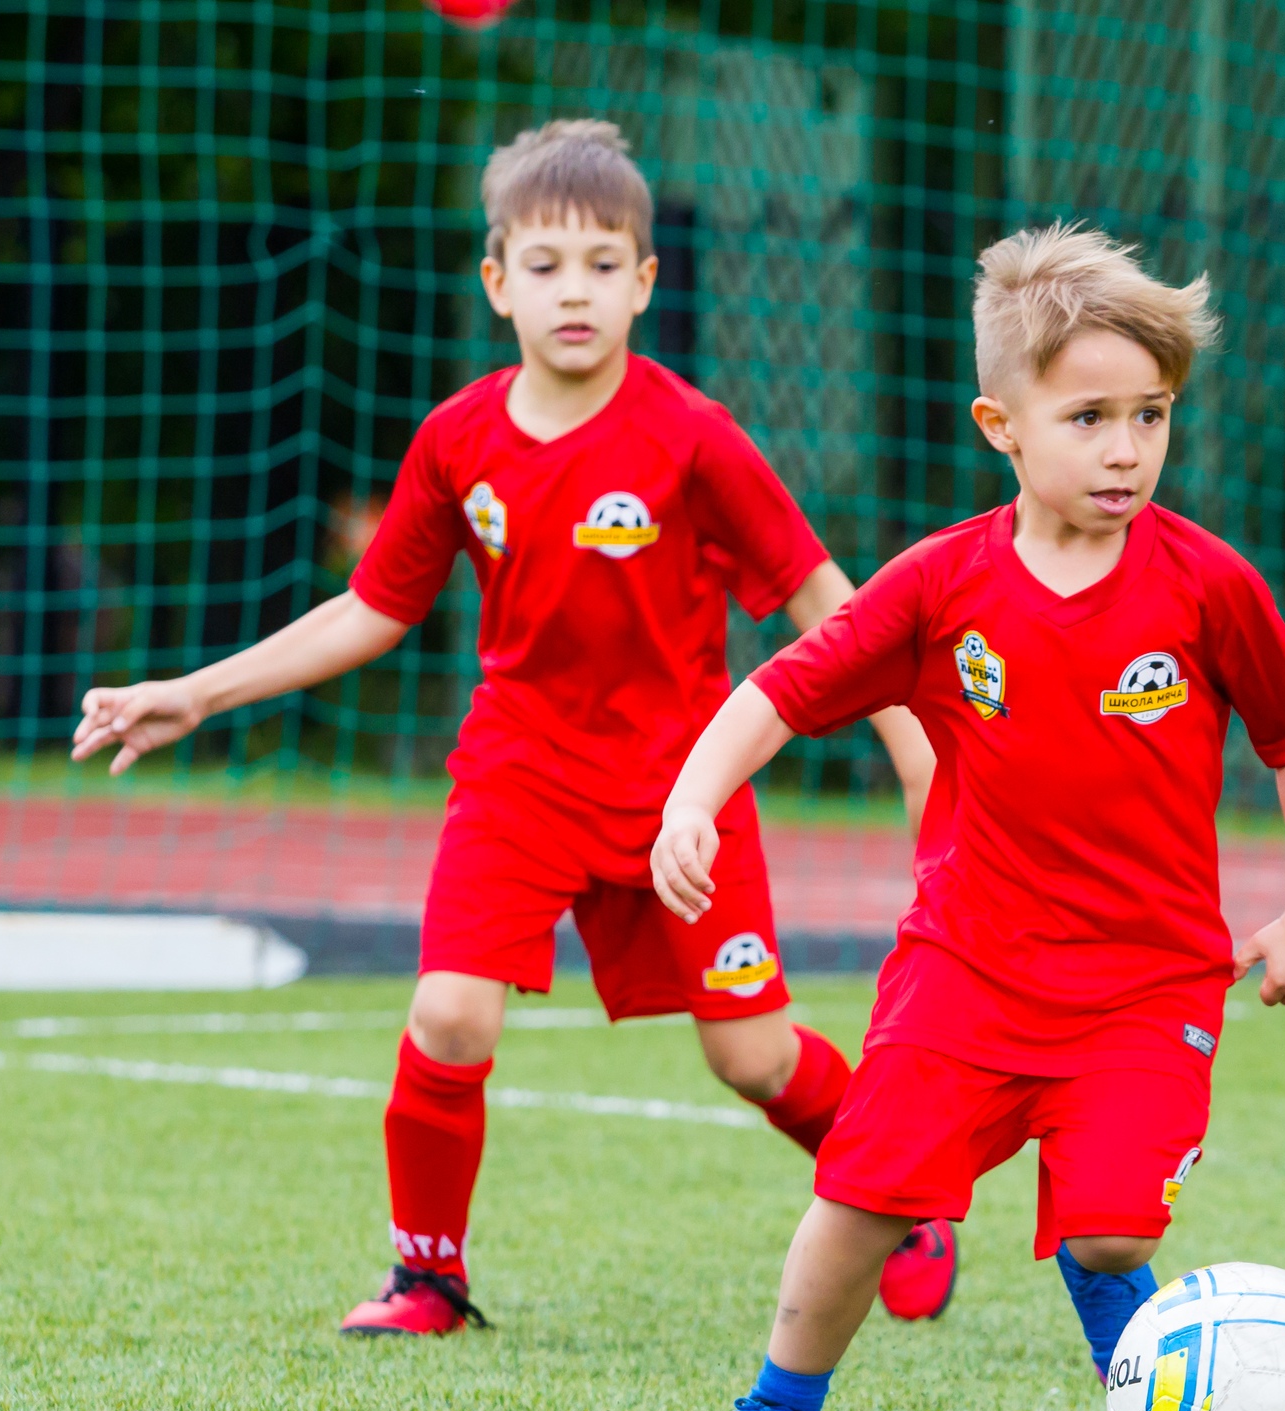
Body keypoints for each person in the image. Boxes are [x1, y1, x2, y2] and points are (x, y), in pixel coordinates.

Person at [69, 121, 944, 1336]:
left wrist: (915, 746)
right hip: (520, 778)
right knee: (448, 1012)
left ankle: (904, 1202)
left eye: (601, 263)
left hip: (683, 791)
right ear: (496, 283)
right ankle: (425, 1278)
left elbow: (824, 600)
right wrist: (198, 691)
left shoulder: (692, 435)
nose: (572, 289)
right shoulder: (456, 440)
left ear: (645, 281)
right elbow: (372, 608)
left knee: (749, 1058)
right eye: (544, 264)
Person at [656, 224, 1285, 1411]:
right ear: (1001, 426)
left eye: (1152, 415)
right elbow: (780, 689)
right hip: (965, 966)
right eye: (1088, 417)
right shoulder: (940, 584)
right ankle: (776, 1410)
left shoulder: (1209, 587)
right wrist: (691, 801)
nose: (1127, 448)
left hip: (1147, 986)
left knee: (1111, 1236)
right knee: (860, 1197)